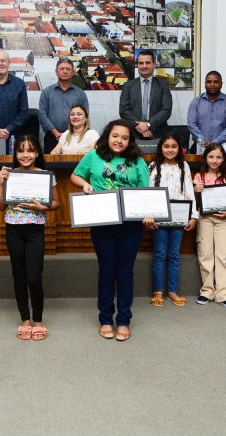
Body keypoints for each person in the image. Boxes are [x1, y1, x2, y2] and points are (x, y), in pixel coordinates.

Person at [71, 119, 153, 341]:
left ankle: (124, 320)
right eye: (115, 136)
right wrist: (84, 185)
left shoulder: (137, 161)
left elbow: (146, 192)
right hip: (102, 221)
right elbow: (75, 175)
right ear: (108, 136)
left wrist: (148, 212)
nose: (119, 141)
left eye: (125, 138)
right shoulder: (94, 156)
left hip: (131, 224)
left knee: (125, 272)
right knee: (107, 271)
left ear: (130, 141)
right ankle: (106, 319)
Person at [0, 135, 60, 341]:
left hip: (35, 229)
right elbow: (0, 206)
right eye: (21, 150)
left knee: (35, 276)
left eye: (30, 150)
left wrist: (44, 207)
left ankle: (38, 319)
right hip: (13, 228)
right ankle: (25, 319)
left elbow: (56, 202)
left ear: (37, 153)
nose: (25, 155)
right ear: (15, 154)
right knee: (19, 275)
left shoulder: (45, 175)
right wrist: (0, 183)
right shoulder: (9, 174)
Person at [147, 134, 198, 308]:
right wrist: (149, 215)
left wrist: (194, 216)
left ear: (179, 148)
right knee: (160, 254)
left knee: (174, 255)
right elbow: (148, 192)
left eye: (174, 146)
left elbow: (189, 191)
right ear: (160, 147)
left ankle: (172, 291)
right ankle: (158, 291)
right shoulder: (153, 166)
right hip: (158, 218)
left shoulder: (184, 166)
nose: (170, 150)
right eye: (166, 146)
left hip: (179, 218)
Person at [193, 143, 226, 308]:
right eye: (211, 157)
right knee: (205, 255)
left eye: (218, 157)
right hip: (205, 219)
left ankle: (224, 294)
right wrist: (196, 190)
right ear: (205, 158)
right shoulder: (199, 176)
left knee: (222, 256)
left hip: (223, 221)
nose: (215, 160)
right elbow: (193, 201)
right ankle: (207, 291)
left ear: (223, 158)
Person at [37, 58, 89, 153]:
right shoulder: (47, 92)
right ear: (56, 72)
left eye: (68, 69)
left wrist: (69, 134)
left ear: (73, 72)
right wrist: (56, 133)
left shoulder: (80, 93)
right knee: (51, 166)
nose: (65, 71)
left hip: (75, 138)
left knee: (73, 166)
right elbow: (42, 115)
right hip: (52, 138)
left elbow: (85, 115)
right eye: (61, 69)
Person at [119, 49, 173, 139]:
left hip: (158, 134)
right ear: (137, 65)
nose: (144, 66)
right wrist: (141, 126)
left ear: (154, 64)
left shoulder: (163, 85)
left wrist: (148, 124)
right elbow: (123, 110)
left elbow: (166, 110)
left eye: (147, 63)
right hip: (133, 134)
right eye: (141, 63)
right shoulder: (128, 85)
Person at [186, 70, 226, 153]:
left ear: (221, 84)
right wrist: (203, 141)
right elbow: (191, 124)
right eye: (209, 82)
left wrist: (215, 142)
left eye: (216, 82)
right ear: (205, 84)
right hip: (199, 146)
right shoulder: (196, 102)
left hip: (222, 147)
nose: (212, 85)